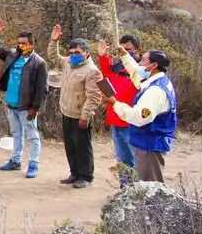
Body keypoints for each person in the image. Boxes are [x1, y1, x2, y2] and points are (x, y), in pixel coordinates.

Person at [0, 19, 49, 179]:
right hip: (12, 104)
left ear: (31, 44)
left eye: (23, 43)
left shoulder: (39, 63)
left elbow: (41, 89)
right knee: (16, 133)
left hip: (26, 106)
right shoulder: (13, 55)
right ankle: (16, 161)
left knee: (32, 136)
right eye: (19, 43)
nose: (20, 46)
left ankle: (33, 164)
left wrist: (35, 108)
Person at [106, 48, 177, 182]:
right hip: (150, 142)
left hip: (150, 145)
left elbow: (139, 118)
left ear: (154, 65)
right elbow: (135, 72)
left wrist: (115, 103)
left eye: (143, 60)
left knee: (149, 185)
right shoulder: (157, 81)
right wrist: (125, 55)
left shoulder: (155, 91)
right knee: (146, 184)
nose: (139, 64)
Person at [47, 24, 103, 189]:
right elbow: (53, 56)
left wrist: (85, 117)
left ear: (86, 53)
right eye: (71, 53)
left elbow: (94, 97)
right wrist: (54, 41)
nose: (73, 55)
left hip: (80, 116)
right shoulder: (68, 63)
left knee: (82, 147)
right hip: (67, 112)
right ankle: (75, 173)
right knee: (70, 146)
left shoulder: (92, 71)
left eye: (77, 53)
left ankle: (86, 176)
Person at [96, 35, 141, 186]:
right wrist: (102, 57)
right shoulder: (117, 67)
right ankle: (126, 189)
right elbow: (107, 76)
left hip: (131, 122)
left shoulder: (140, 71)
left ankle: (139, 191)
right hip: (116, 120)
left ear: (137, 50)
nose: (123, 53)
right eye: (121, 50)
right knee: (123, 159)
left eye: (127, 50)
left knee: (137, 159)